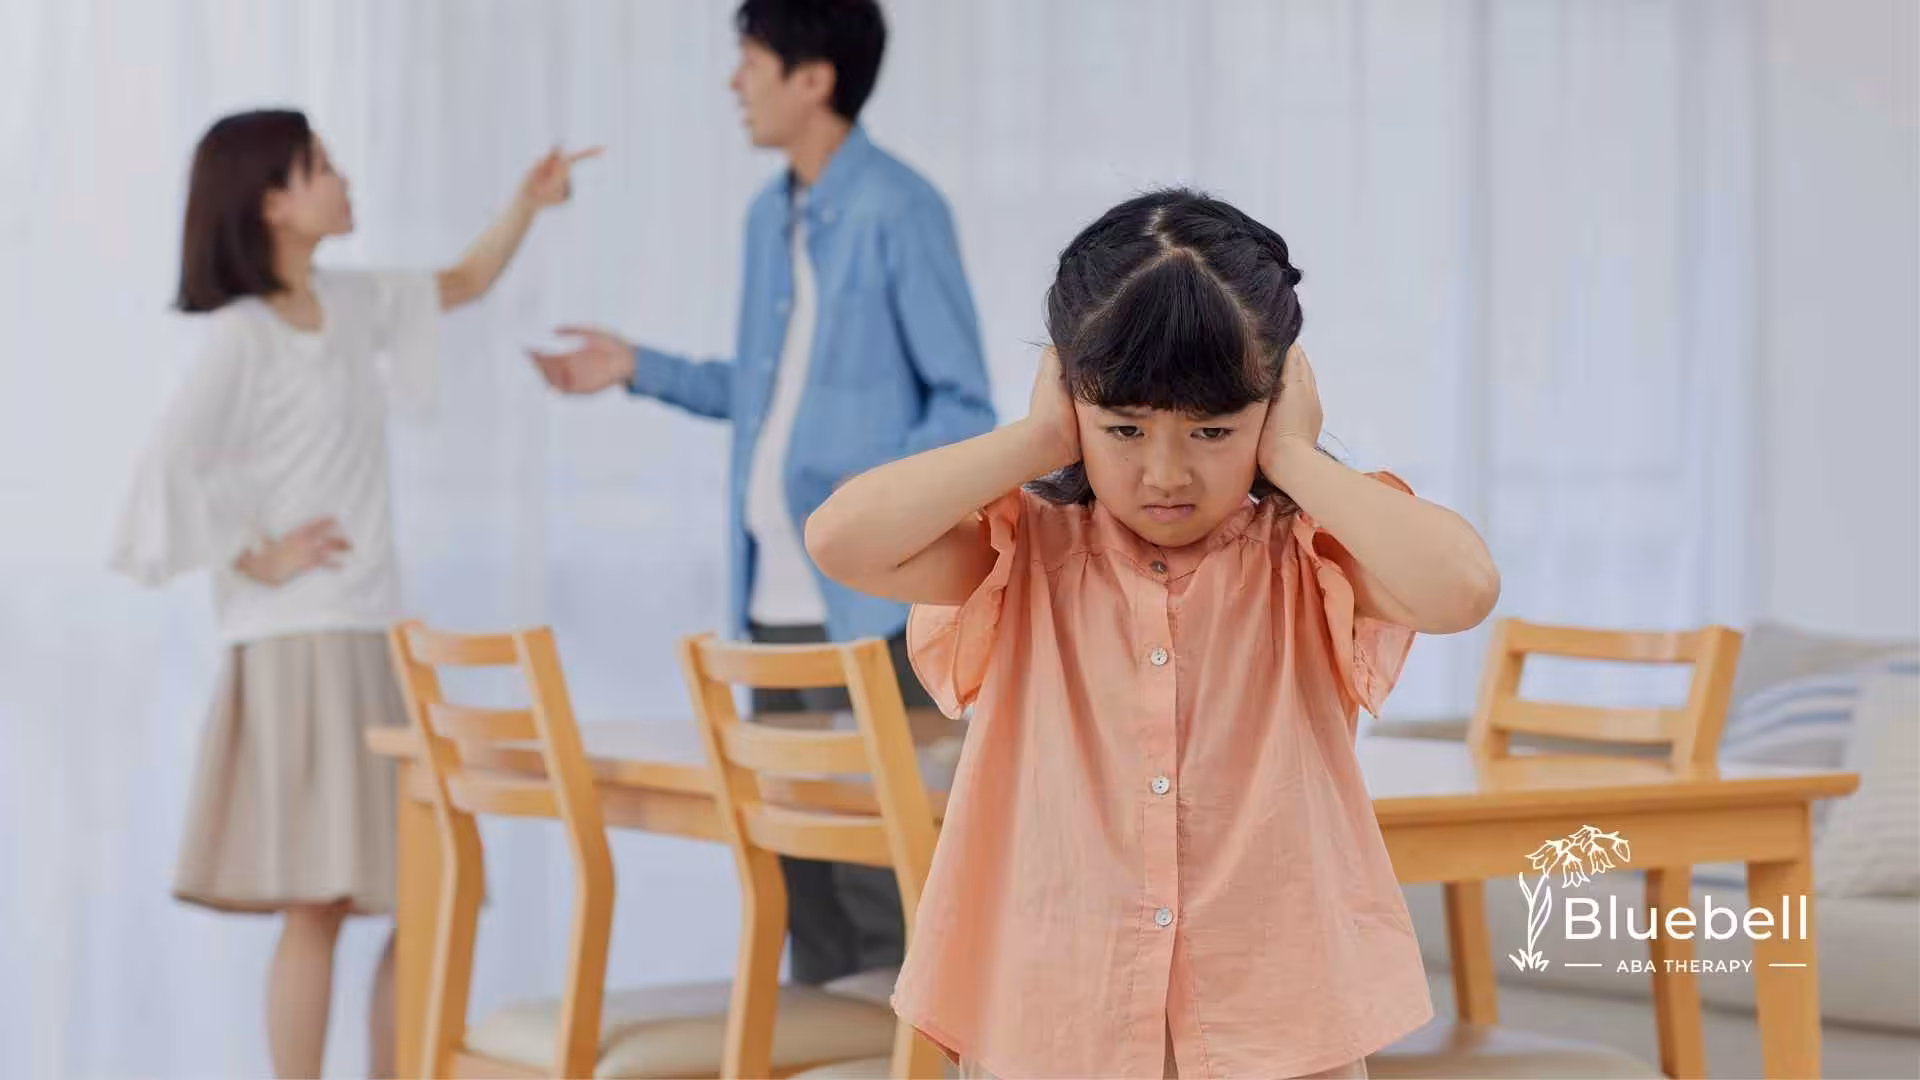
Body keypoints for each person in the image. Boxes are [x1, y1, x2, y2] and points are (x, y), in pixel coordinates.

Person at [805, 189, 1503, 1079]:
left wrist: (1293, 457)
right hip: (1056, 1023)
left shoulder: (1303, 555)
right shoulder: (1025, 552)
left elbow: (1462, 588)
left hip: (1278, 1029)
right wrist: (1037, 439)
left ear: (1273, 403)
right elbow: (841, 539)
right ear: (1072, 402)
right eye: (1124, 429)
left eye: (1213, 430)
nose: (1166, 473)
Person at [108, 108, 596, 1080]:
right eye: (321, 166)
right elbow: (163, 470)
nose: (343, 178)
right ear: (273, 203)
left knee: (426, 886)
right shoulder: (243, 337)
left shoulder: (352, 300)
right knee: (318, 900)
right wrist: (256, 554)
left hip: (372, 632)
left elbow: (462, 281)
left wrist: (526, 204)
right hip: (298, 643)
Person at [532, 0, 994, 987]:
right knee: (799, 885)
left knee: (885, 888)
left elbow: (964, 406)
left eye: (750, 62)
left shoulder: (900, 209)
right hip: (772, 612)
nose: (734, 84)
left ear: (813, 79)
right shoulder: (766, 218)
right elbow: (765, 394)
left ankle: (899, 1056)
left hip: (867, 611)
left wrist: (873, 499)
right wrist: (636, 367)